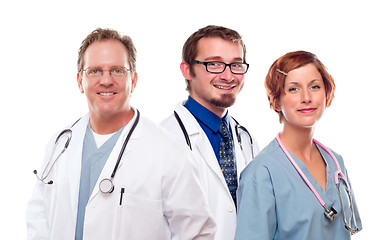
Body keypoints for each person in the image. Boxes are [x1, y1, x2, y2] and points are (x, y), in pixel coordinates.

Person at [26, 28, 216, 240]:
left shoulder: (170, 153)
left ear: (133, 81)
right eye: (95, 71)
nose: (106, 80)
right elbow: (38, 220)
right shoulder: (59, 145)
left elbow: (198, 234)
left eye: (117, 70)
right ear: (80, 81)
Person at [235, 50, 362, 239]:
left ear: (326, 93)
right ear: (276, 101)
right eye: (294, 89)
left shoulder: (336, 162)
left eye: (315, 87)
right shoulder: (262, 173)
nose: (306, 97)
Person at [161, 25, 260, 240]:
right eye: (214, 64)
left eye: (236, 65)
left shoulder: (246, 140)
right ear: (187, 70)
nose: (228, 76)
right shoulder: (162, 141)